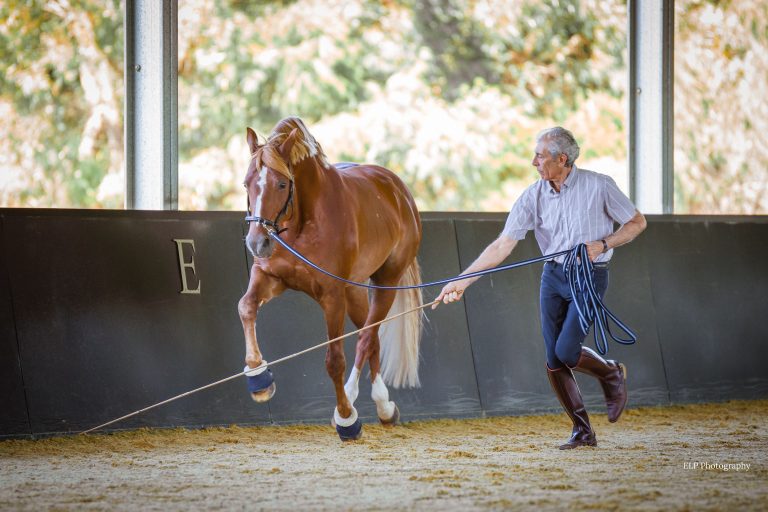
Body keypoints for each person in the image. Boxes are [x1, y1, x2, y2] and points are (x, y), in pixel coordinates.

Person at [434, 127, 647, 449]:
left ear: (562, 159)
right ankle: (582, 431)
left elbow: (636, 223)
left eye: (540, 155)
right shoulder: (532, 195)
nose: (534, 161)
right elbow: (503, 244)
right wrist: (461, 281)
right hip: (553, 276)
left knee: (566, 352)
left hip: (589, 275)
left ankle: (610, 373)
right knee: (553, 358)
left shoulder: (599, 185)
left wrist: (604, 243)